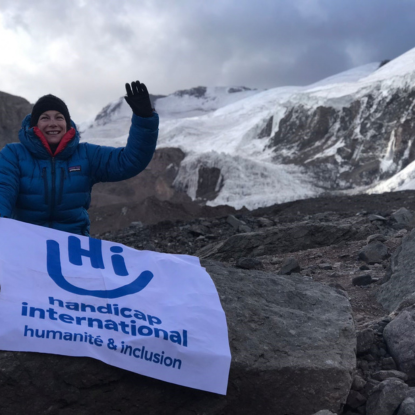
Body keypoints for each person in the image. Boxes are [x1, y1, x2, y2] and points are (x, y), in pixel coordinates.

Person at [0, 80, 159, 236]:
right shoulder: (13, 155)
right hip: (25, 244)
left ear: (67, 124)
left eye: (59, 117)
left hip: (73, 247)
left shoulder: (86, 155)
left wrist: (144, 119)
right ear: (35, 125)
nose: (53, 123)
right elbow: (2, 191)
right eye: (45, 118)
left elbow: (129, 161)